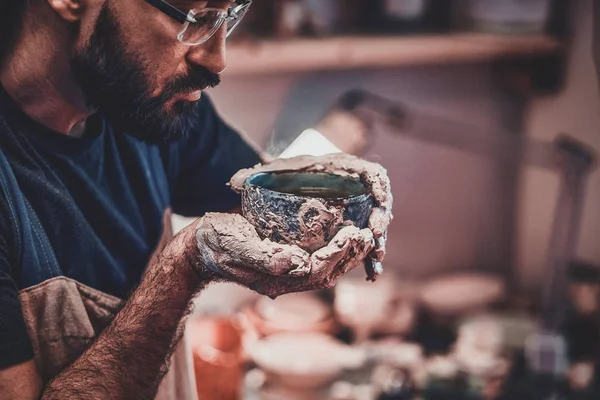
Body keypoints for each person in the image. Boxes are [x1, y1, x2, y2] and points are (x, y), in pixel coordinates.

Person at [0, 1, 392, 399]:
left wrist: (339, 190)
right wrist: (182, 269)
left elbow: (270, 206)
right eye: (195, 17)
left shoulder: (140, 104)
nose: (216, 58)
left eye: (228, 16)